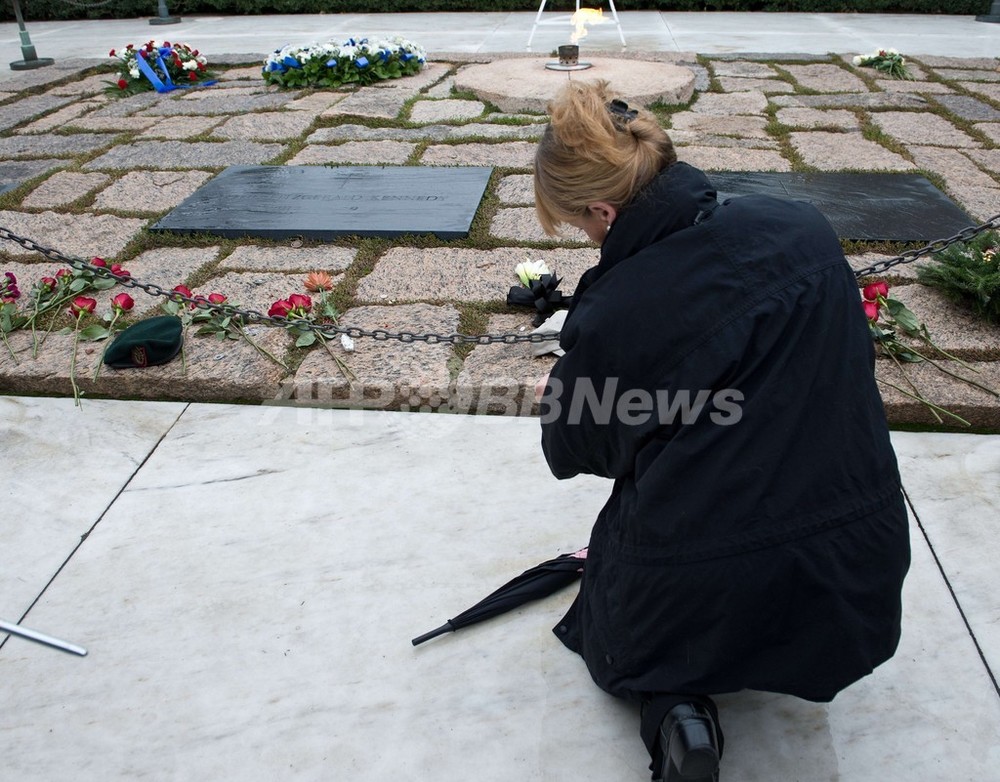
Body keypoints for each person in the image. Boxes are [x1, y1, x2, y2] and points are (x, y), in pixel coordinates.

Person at [532, 80, 911, 782]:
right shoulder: (803, 226)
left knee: (629, 635)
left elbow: (574, 449)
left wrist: (566, 386)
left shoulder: (622, 308)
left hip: (707, 584)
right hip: (857, 566)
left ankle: (680, 715)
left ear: (605, 209)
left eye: (580, 225)